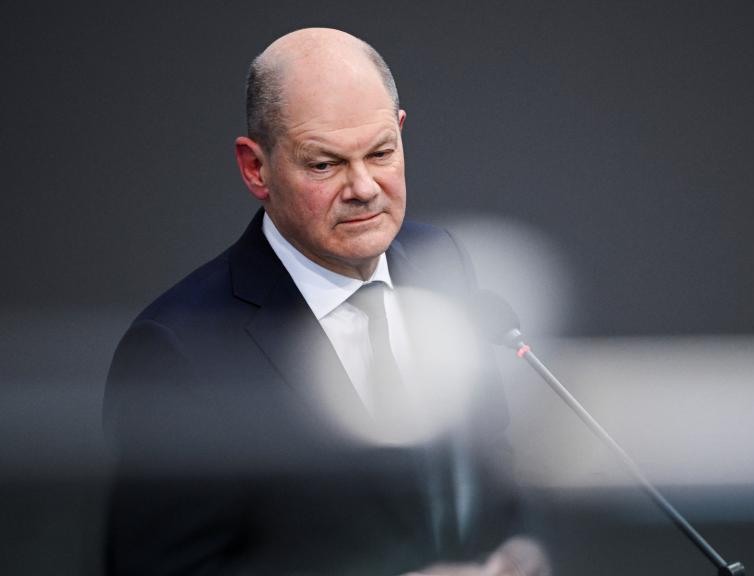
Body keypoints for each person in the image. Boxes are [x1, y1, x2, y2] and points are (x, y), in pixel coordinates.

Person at [104, 28, 548, 576]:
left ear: (401, 132)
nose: (363, 187)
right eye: (324, 164)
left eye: (381, 152)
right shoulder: (181, 348)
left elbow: (488, 470)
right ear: (255, 168)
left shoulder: (442, 264)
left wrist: (518, 549)